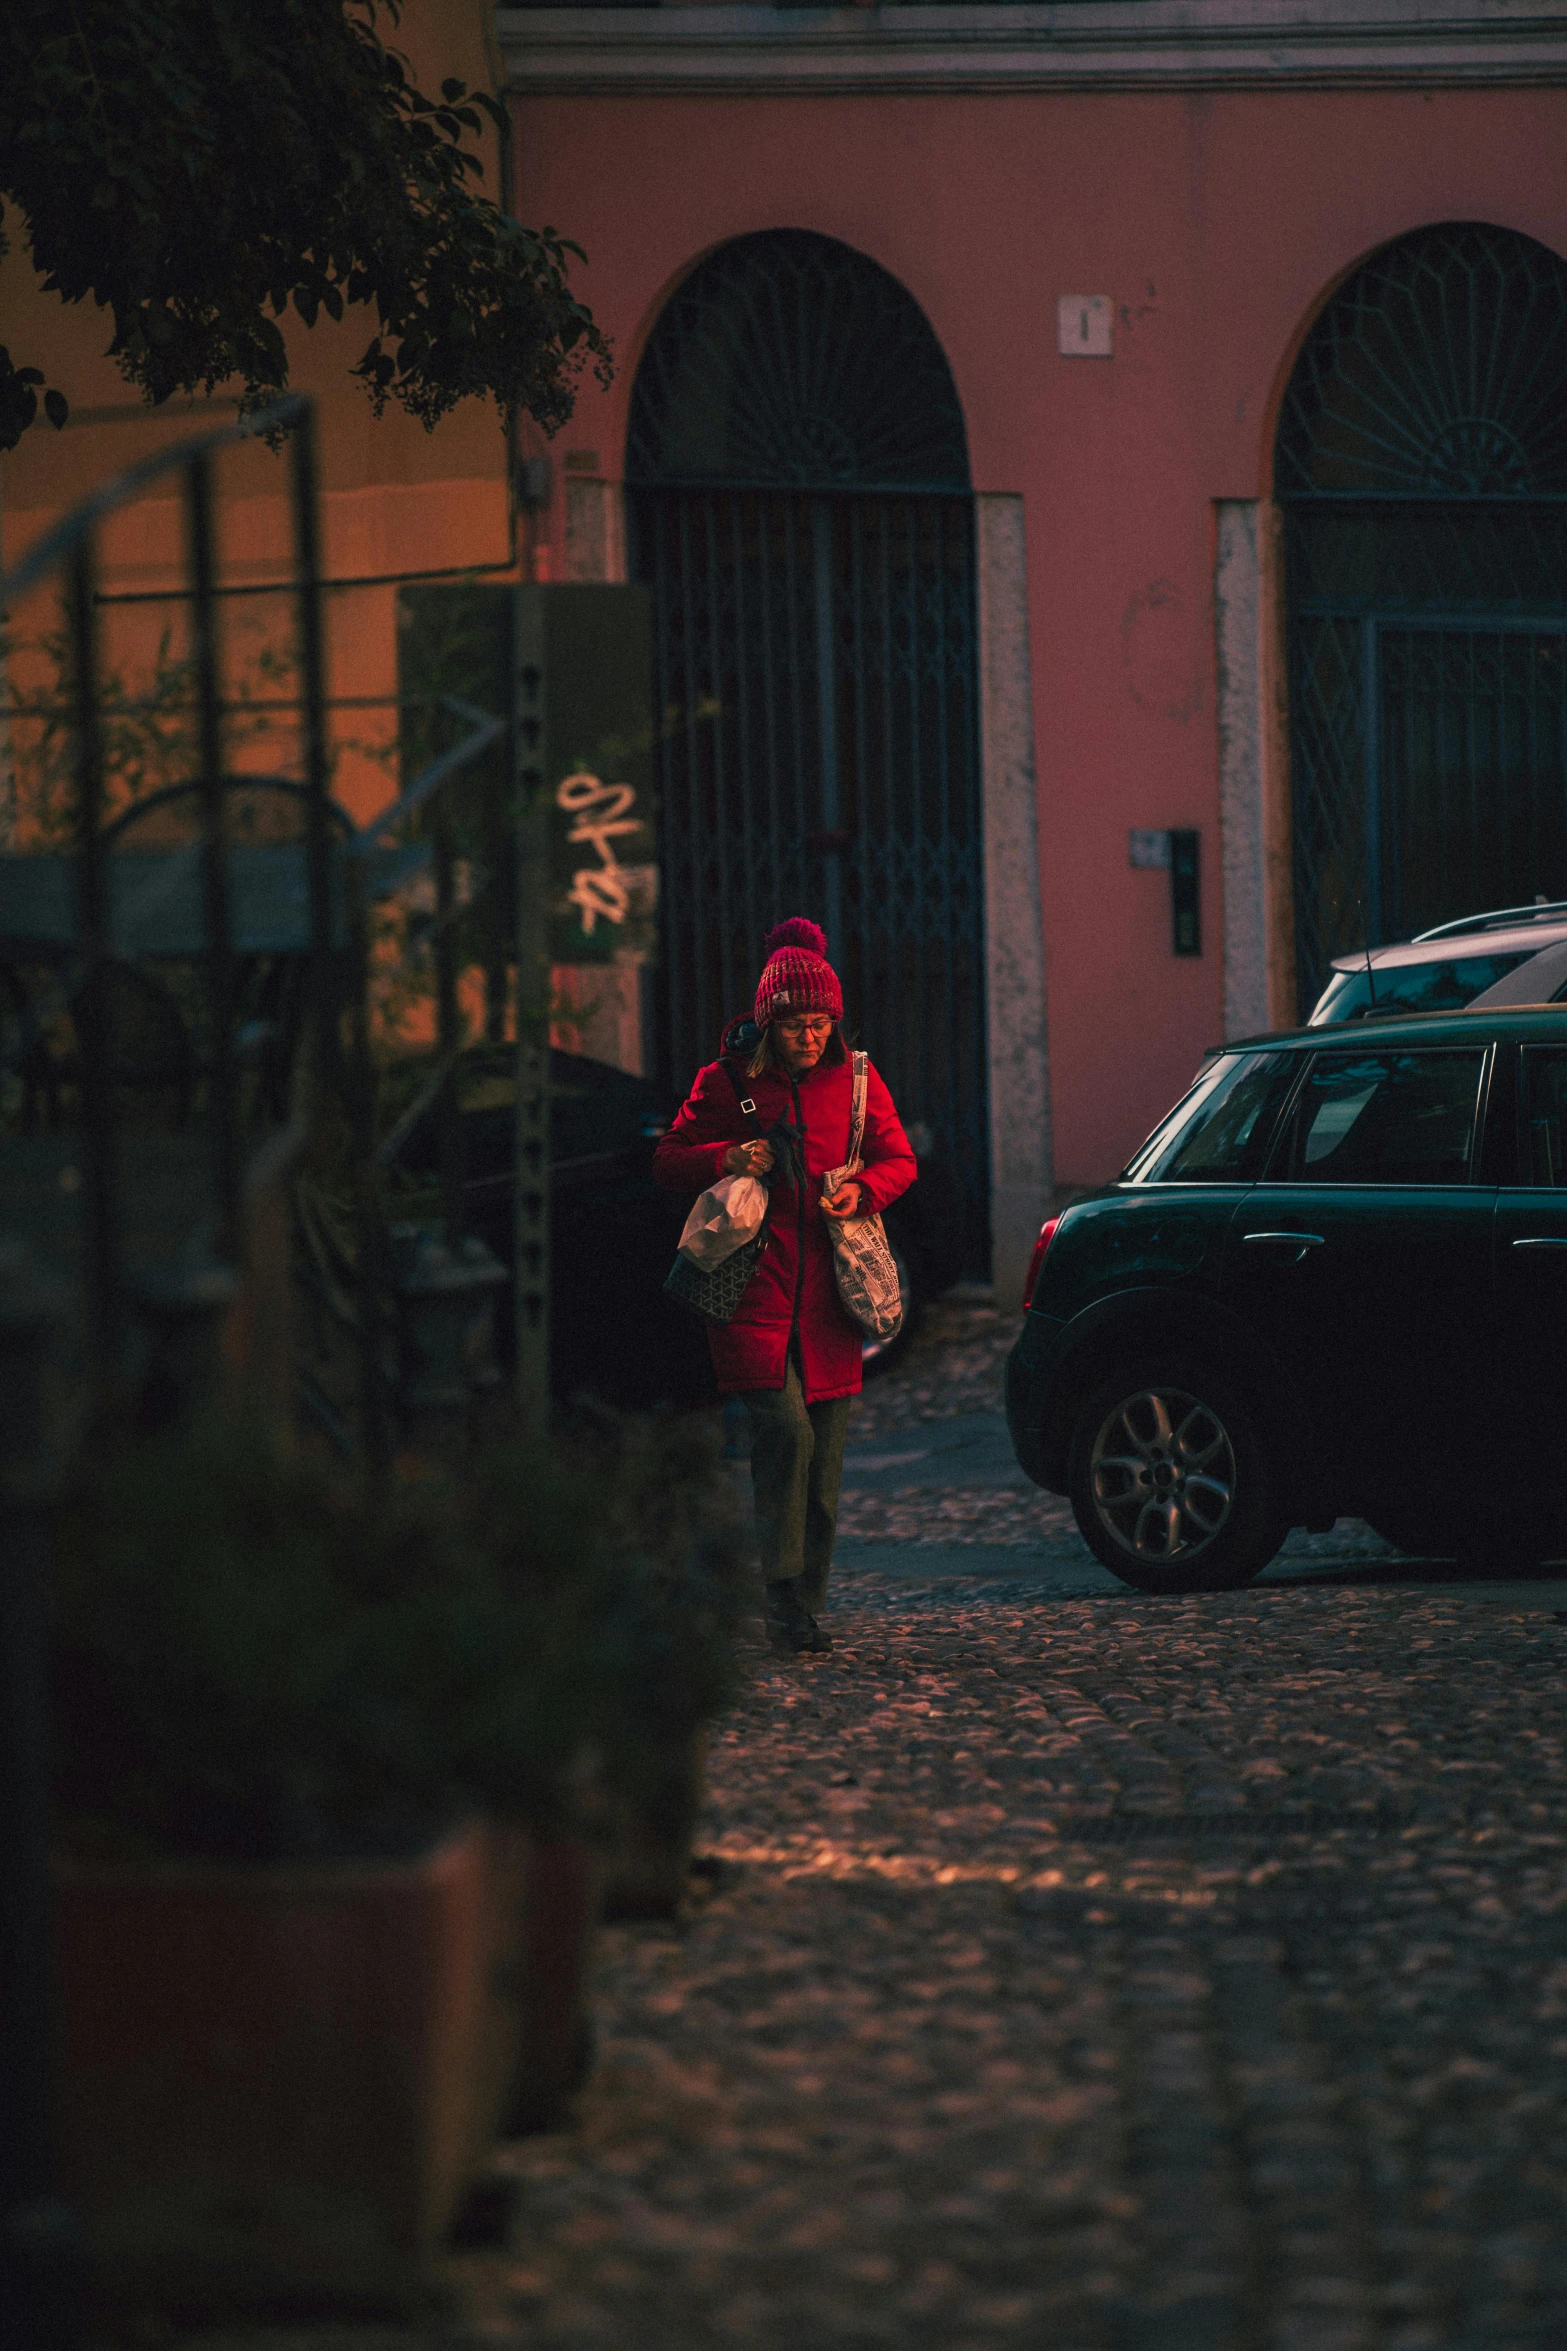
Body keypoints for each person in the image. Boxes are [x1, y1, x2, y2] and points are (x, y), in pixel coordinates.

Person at [654, 918, 917, 1654]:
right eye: (798, 1023)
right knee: (786, 1434)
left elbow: (898, 1160)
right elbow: (668, 1159)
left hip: (829, 1296)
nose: (811, 1036)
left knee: (825, 1464)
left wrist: (860, 1190)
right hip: (751, 1289)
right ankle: (777, 1594)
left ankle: (802, 1605)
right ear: (769, 1022)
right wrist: (727, 1155)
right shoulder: (727, 1082)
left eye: (822, 1021)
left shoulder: (856, 1079)